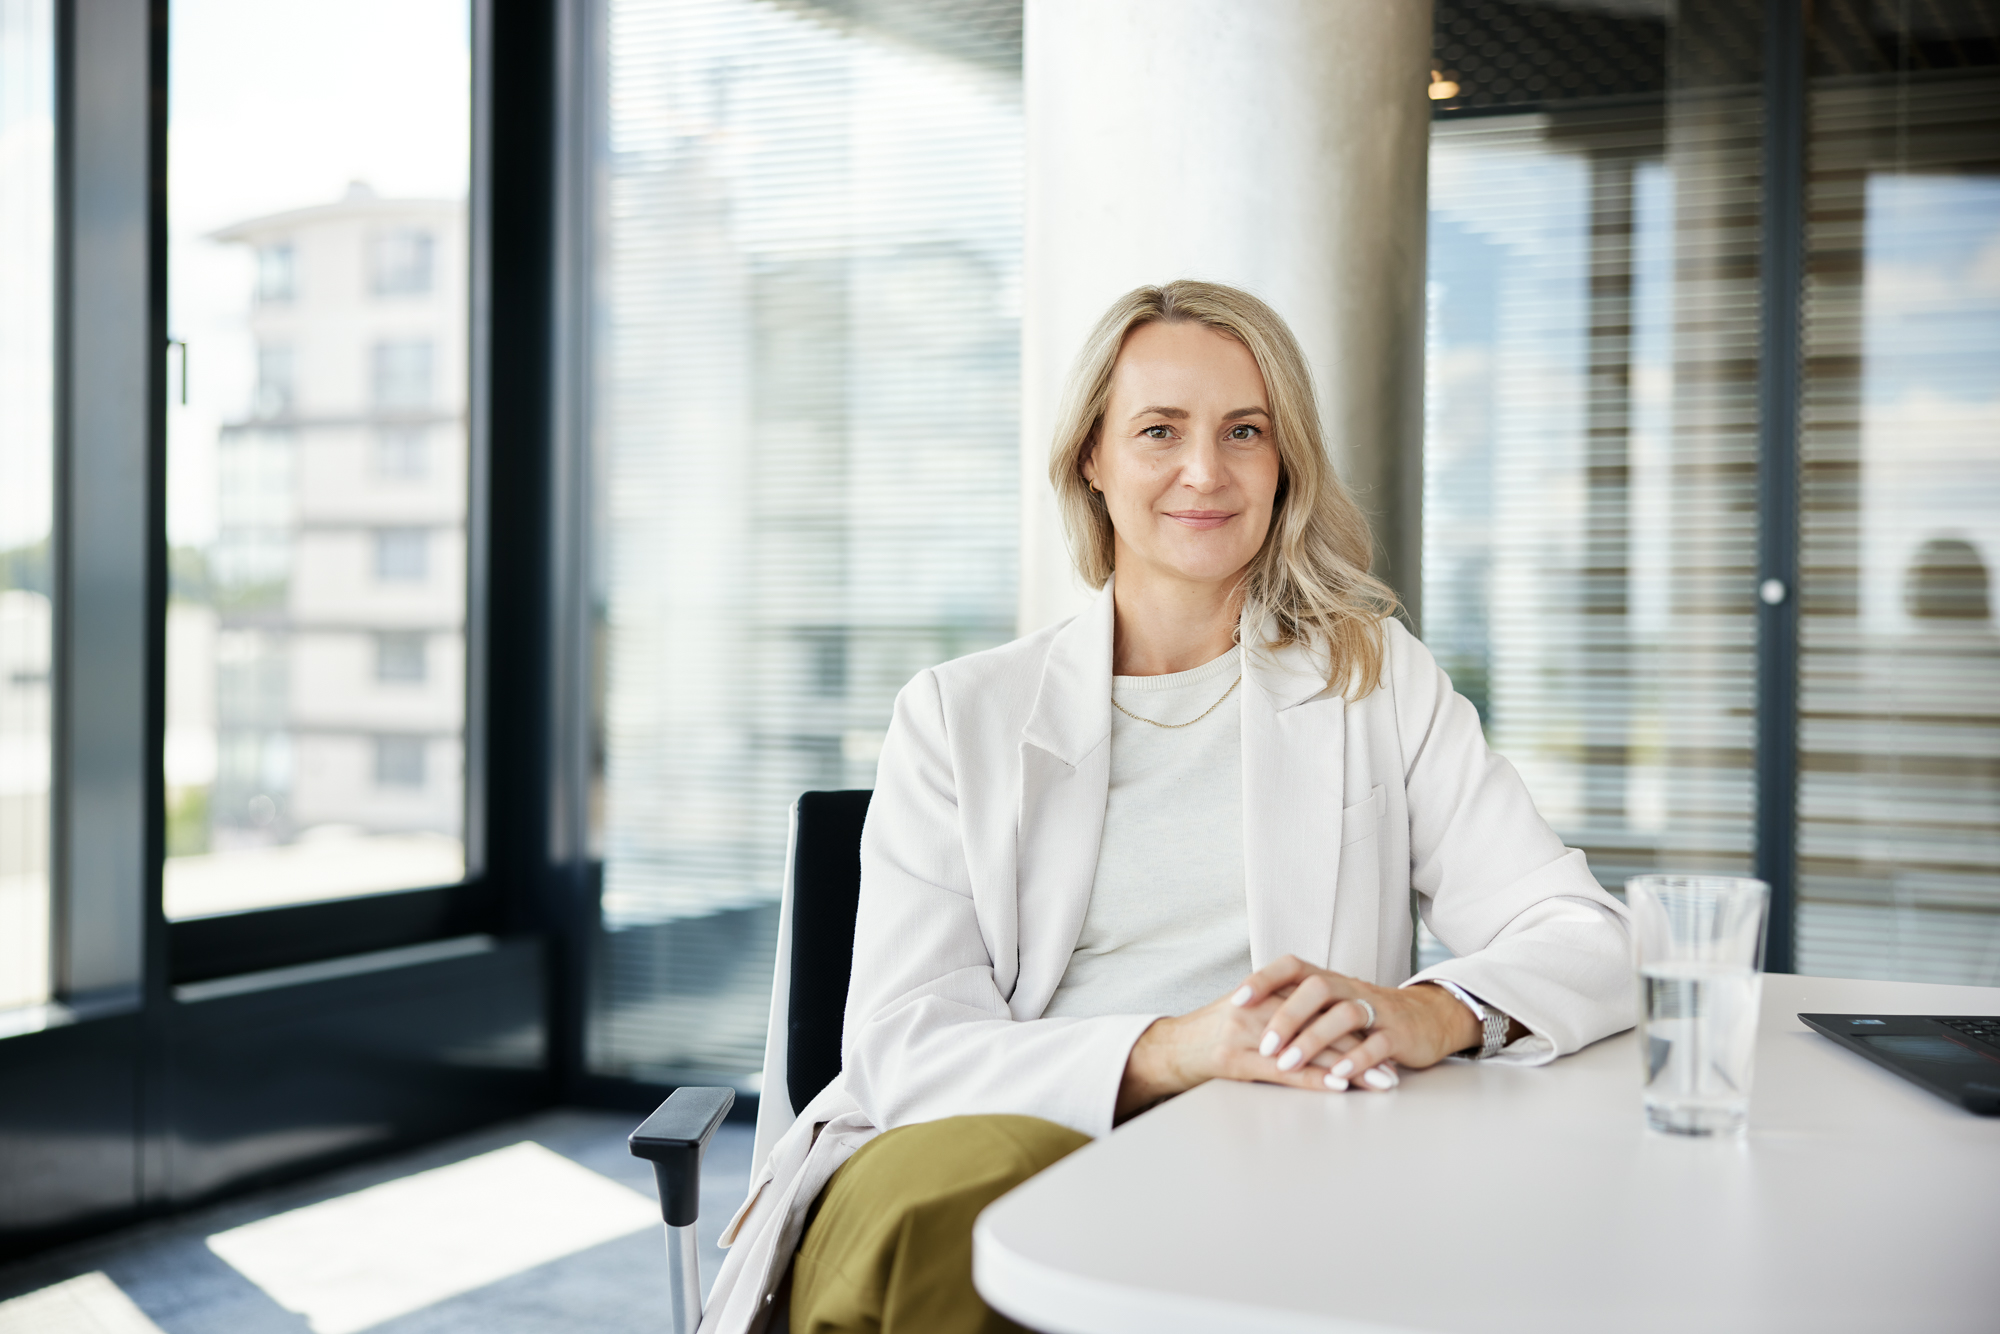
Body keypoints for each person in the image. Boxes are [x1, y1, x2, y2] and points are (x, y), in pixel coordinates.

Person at [701, 281, 1634, 1334]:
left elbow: (1585, 938)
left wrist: (1423, 1010)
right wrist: (1175, 1047)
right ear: (1090, 459)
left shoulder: (1373, 681)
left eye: (1245, 430)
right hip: (977, 1147)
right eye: (1158, 430)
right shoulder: (959, 713)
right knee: (974, 1214)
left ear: (1284, 463)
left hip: (1265, 1166)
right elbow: (905, 1048)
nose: (1206, 470)